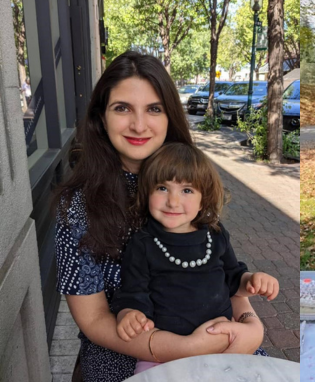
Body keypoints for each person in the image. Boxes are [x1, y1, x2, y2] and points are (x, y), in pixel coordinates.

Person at [54, 51, 263, 382]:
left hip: (220, 335)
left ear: (170, 116)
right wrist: (186, 348)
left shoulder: (189, 183)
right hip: (125, 349)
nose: (139, 124)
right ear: (100, 117)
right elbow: (93, 320)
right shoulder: (78, 206)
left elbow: (222, 274)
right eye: (122, 108)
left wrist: (252, 326)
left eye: (154, 109)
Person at [112, 143, 278, 373]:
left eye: (187, 190)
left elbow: (232, 278)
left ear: (203, 199)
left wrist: (251, 281)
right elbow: (133, 293)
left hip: (223, 343)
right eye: (162, 188)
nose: (173, 201)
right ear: (146, 192)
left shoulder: (216, 234)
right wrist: (130, 314)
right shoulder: (142, 244)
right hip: (163, 355)